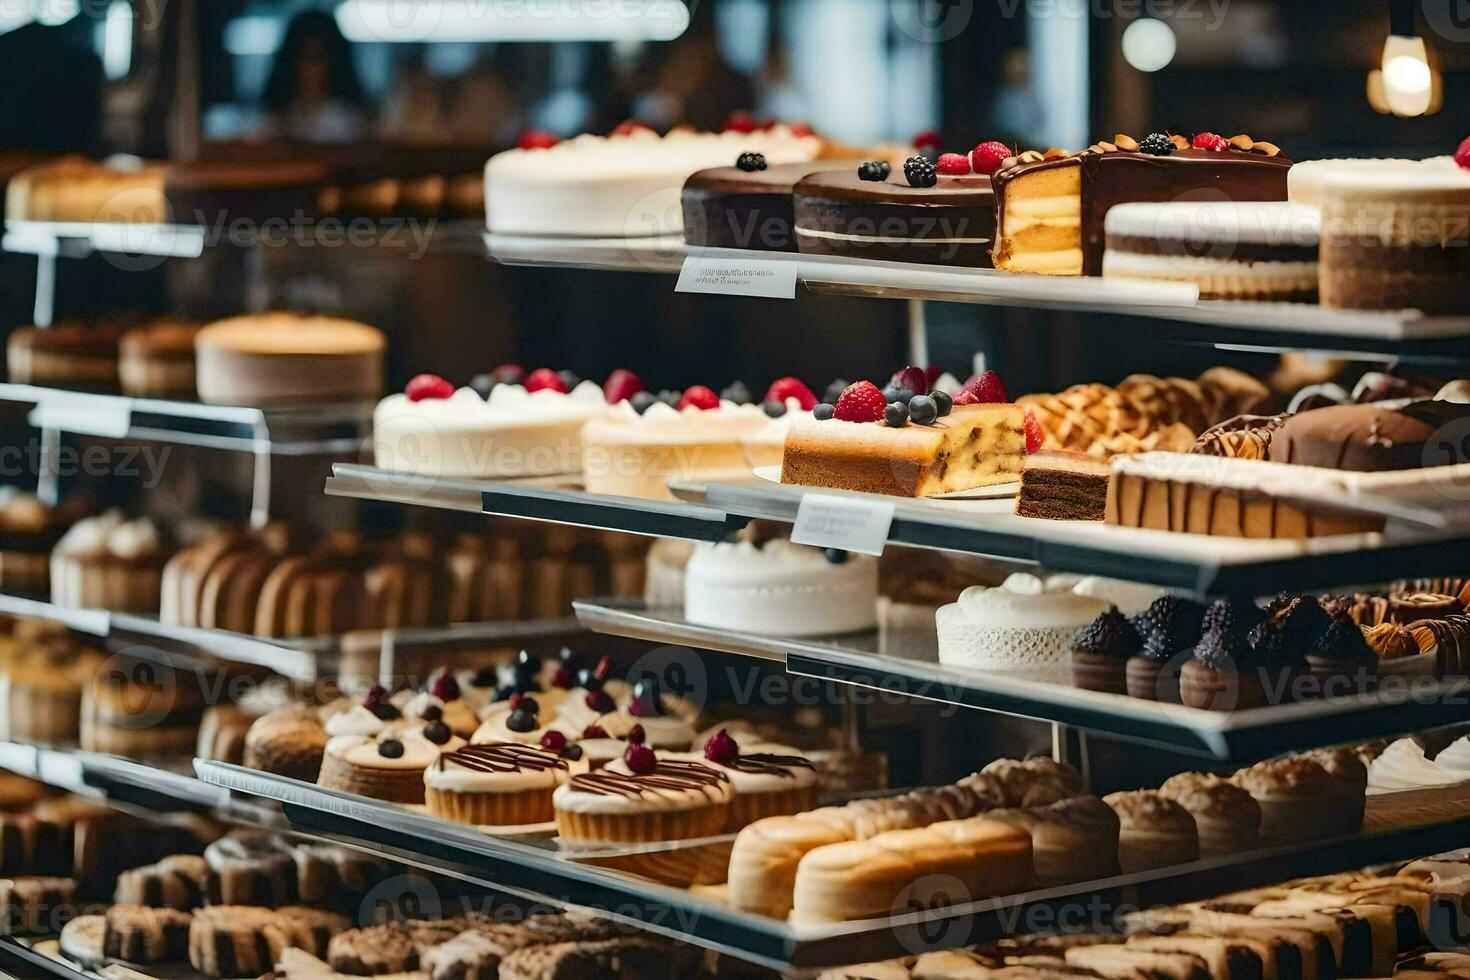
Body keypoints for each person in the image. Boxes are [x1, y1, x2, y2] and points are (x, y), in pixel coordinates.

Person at [261, 11, 367, 144]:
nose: (307, 69)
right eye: (301, 58)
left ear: (334, 63)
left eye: (316, 58)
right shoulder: (271, 123)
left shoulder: (349, 125)